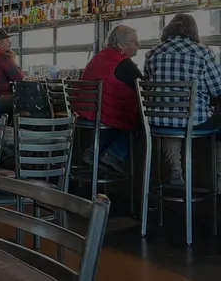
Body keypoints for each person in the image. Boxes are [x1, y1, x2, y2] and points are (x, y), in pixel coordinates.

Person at [144, 13, 221, 187]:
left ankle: (175, 170)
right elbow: (217, 88)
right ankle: (217, 183)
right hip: (195, 121)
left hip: (158, 121)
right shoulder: (203, 52)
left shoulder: (152, 53)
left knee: (171, 120)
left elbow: (149, 88)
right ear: (193, 31)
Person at [76, 25, 142, 173]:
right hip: (103, 113)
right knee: (141, 122)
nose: (138, 46)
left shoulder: (99, 56)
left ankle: (94, 152)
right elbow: (143, 87)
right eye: (135, 42)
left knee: (118, 119)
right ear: (121, 45)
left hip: (89, 111)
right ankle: (114, 155)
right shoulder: (124, 63)